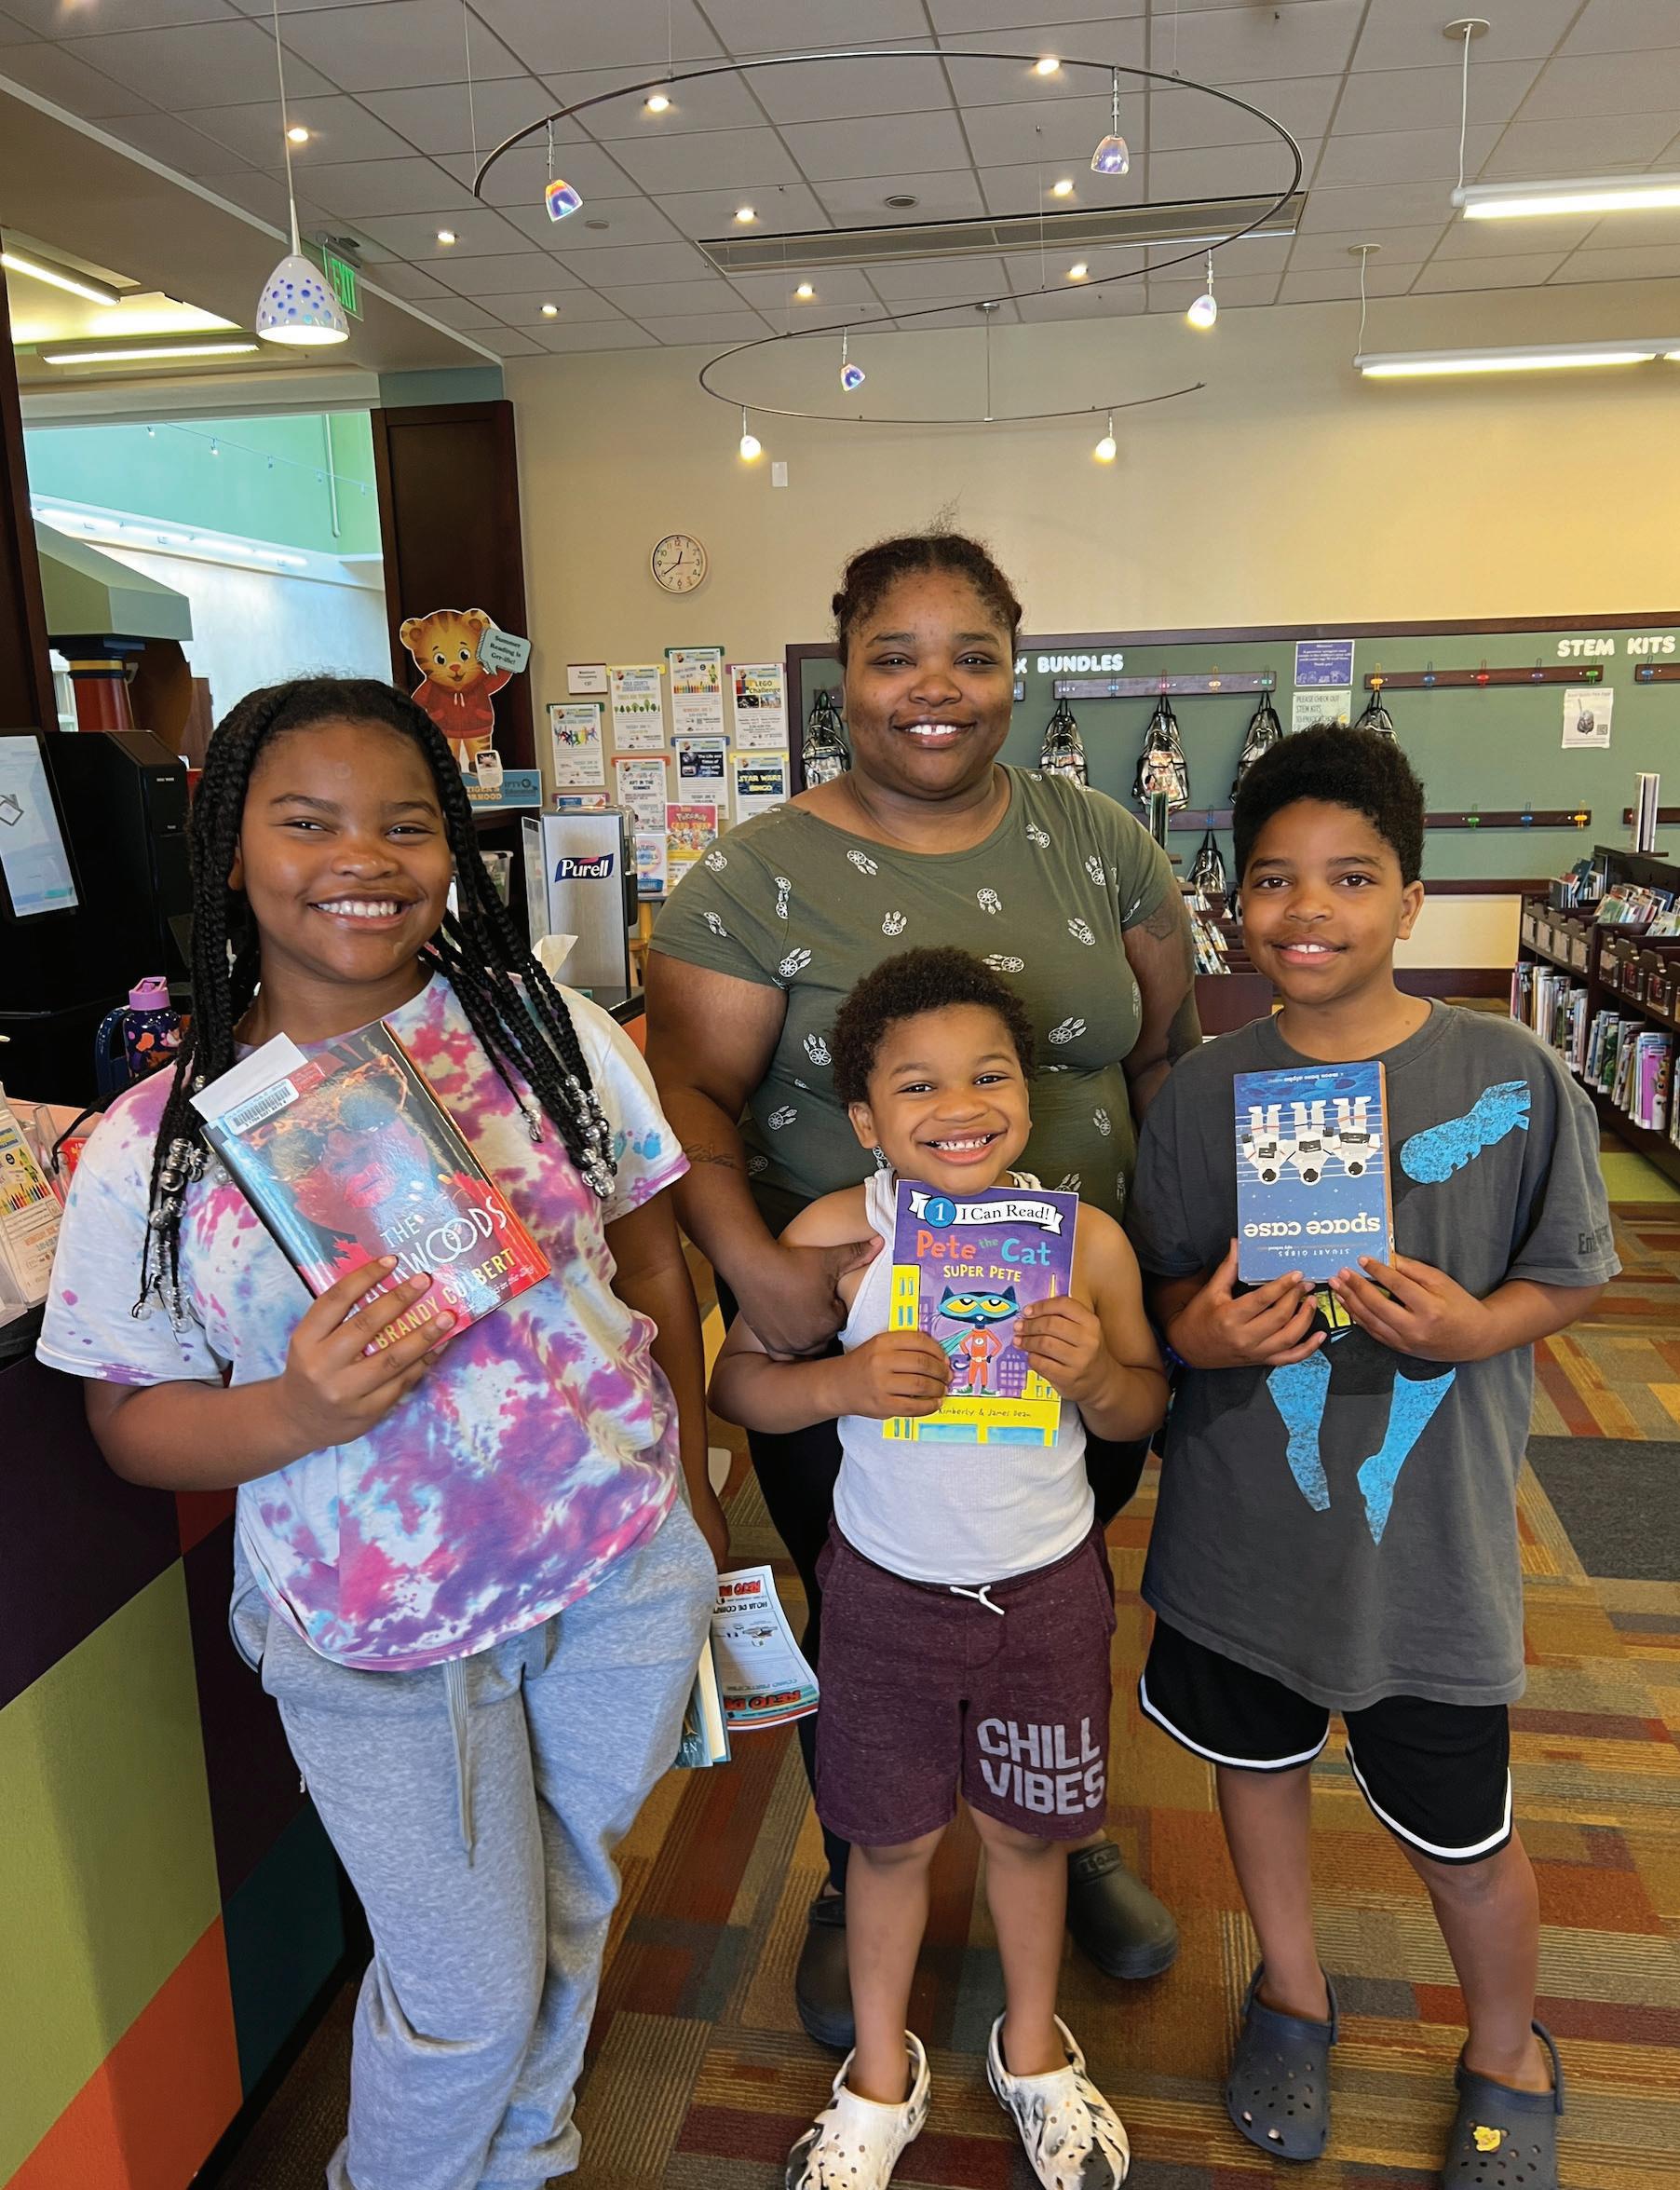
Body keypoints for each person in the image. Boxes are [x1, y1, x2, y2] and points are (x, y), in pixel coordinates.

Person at [37, 678, 726, 2190]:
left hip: (615, 1569)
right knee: (464, 1999)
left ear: (453, 848)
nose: (362, 857)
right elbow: (128, 1424)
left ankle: (523, 2167)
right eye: (308, 823)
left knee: (566, 1917)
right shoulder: (158, 1144)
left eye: (406, 825)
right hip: (373, 1634)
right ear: (230, 851)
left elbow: (654, 1264)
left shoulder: (549, 1038)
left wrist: (691, 1486)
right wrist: (293, 1409)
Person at [647, 530, 1196, 2043]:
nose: (934, 688)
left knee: (1051, 1586)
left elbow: (1164, 1052)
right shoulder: (754, 875)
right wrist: (757, 1274)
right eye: (895, 657)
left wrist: (1157, 1281)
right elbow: (682, 1096)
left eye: (973, 656)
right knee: (871, 1600)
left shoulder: (1101, 841)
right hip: (846, 1324)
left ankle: (1051, 1832)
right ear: (846, 676)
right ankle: (859, 1862)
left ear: (1018, 672)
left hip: (1074, 1318)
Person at [1127, 727, 1616, 2183]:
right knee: (1254, 1767)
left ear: (1411, 898)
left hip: (1431, 1556)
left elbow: (1571, 1273)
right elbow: (1166, 1289)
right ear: (1237, 903)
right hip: (1245, 1533)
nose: (1308, 910)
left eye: (1351, 877)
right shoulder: (1206, 1088)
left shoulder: (1510, 1073)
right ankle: (1291, 1990)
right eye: (1274, 879)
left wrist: (1478, 1327)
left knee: (1464, 1832)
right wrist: (1205, 1335)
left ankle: (1509, 2047)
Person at [711, 949, 1167, 2190]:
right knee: (887, 1842)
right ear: (865, 1120)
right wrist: (840, 1383)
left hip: (1045, 1594)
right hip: (883, 1596)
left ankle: (1034, 2053)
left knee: (1029, 1835)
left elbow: (1141, 1410)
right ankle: (877, 2076)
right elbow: (737, 1383)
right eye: (916, 1087)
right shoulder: (833, 1237)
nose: (959, 1108)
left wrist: (1094, 1375)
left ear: (1027, 1093)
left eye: (989, 1077)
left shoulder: (1085, 1245)